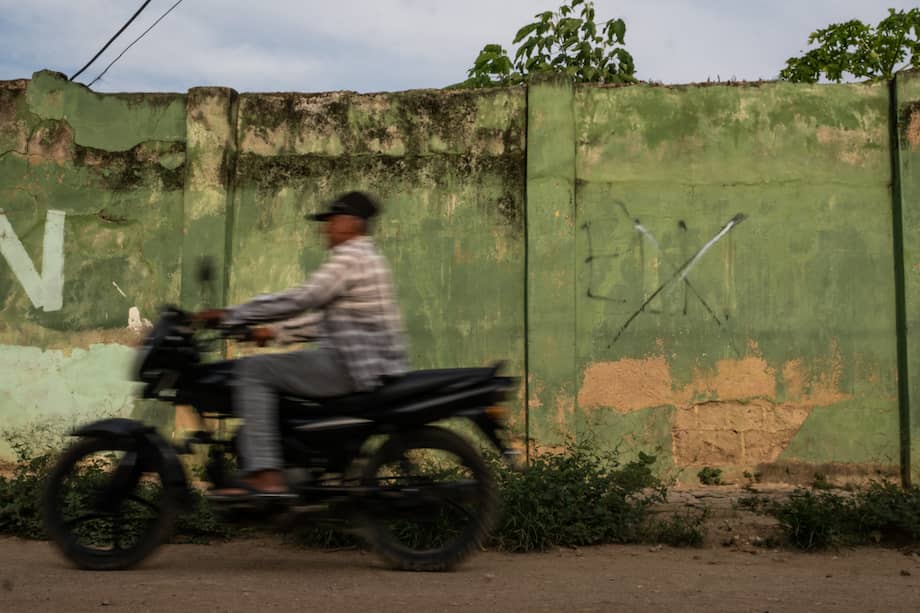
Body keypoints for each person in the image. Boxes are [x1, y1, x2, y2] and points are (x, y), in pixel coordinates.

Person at [196, 191, 409, 500]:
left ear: (351, 223)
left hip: (349, 367)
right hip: (364, 364)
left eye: (332, 221)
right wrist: (272, 332)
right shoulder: (368, 258)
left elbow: (302, 298)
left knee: (254, 370)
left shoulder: (351, 258)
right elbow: (325, 322)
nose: (325, 229)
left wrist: (232, 315)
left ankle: (265, 475)